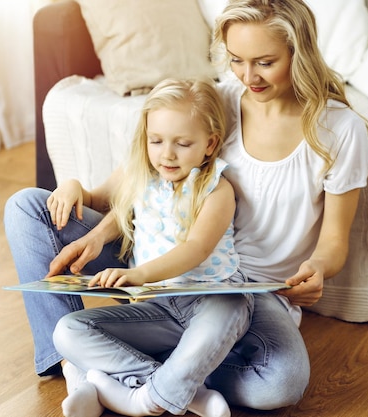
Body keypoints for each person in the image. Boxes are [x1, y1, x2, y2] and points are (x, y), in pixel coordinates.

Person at [4, 0, 368, 413]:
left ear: (298, 53)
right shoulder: (223, 100)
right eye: (236, 60)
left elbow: (334, 242)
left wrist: (319, 269)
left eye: (265, 62)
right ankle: (75, 366)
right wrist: (83, 200)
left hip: (245, 288)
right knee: (27, 207)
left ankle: (115, 372)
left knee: (278, 385)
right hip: (160, 257)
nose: (249, 76)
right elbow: (138, 176)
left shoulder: (340, 129)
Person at [51, 77, 253, 417]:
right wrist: (72, 185)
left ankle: (137, 400)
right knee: (68, 331)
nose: (167, 154)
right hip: (157, 306)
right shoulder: (141, 174)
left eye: (182, 143)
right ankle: (185, 393)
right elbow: (106, 203)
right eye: (156, 141)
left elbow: (196, 249)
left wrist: (138, 274)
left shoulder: (217, 189)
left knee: (230, 309)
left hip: (211, 297)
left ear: (209, 143)